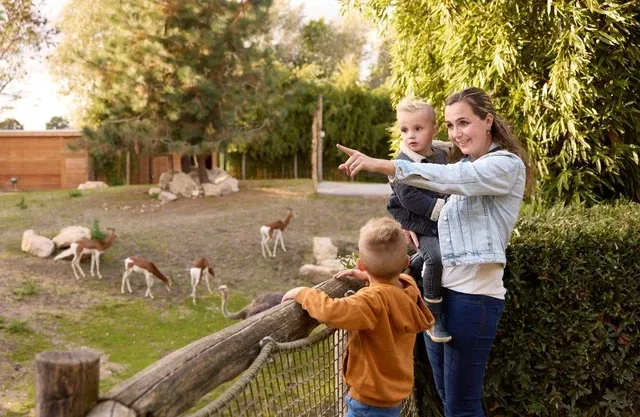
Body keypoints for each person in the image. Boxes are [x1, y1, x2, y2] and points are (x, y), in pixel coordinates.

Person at [336, 87, 534, 417]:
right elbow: (434, 221)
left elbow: (450, 179)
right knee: (447, 399)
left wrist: (385, 165)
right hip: (438, 297)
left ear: (488, 121)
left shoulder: (502, 166)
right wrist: (376, 272)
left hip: (473, 298)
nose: (457, 133)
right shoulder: (465, 161)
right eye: (451, 125)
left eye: (464, 123)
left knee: (461, 406)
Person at [281, 217, 435, 417]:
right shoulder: (408, 289)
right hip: (392, 398)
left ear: (360, 265)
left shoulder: (372, 301)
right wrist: (373, 276)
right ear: (406, 262)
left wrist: (304, 293)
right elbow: (397, 280)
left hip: (368, 402)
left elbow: (332, 311)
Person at [387, 96, 451, 343]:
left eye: (418, 129)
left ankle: (415, 265)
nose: (410, 136)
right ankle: (434, 316)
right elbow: (411, 199)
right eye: (404, 130)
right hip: (419, 221)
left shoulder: (441, 155)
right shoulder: (401, 164)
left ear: (433, 131)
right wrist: (445, 210)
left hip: (441, 218)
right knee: (436, 256)